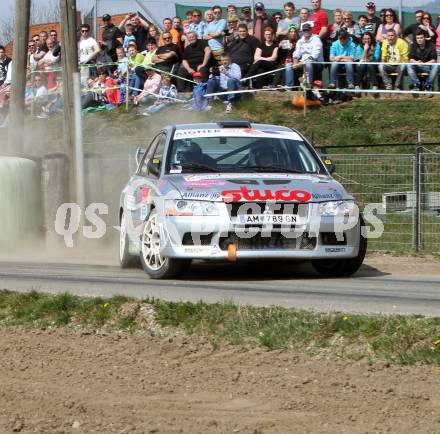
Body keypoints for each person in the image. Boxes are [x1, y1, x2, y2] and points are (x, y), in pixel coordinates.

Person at [407, 29, 438, 96]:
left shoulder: (431, 45)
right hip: (417, 65)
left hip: (428, 66)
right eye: (417, 38)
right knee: (409, 65)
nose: (419, 39)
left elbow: (434, 60)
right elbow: (410, 59)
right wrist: (416, 62)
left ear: (425, 37)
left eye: (421, 38)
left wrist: (425, 63)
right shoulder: (413, 45)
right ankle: (416, 85)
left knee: (436, 66)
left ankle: (427, 86)